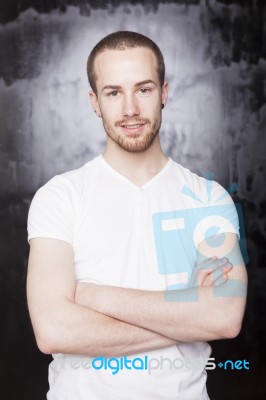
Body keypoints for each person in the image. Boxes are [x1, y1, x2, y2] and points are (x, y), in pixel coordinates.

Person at [27, 31, 247, 400]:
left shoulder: (208, 198)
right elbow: (53, 331)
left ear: (164, 92)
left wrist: (94, 296)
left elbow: (224, 317)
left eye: (143, 89)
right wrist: (187, 313)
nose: (130, 108)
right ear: (94, 101)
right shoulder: (60, 196)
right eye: (114, 93)